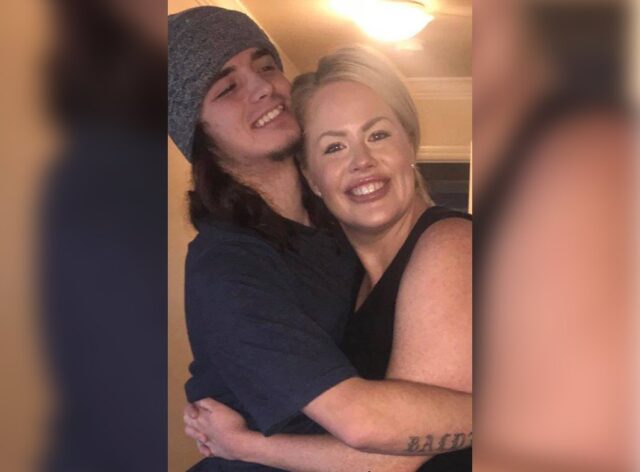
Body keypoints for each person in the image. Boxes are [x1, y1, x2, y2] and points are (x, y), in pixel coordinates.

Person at [169, 7, 471, 472]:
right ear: (198, 133)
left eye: (266, 65)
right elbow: (366, 426)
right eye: (227, 88)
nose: (262, 87)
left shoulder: (346, 234)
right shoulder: (228, 265)